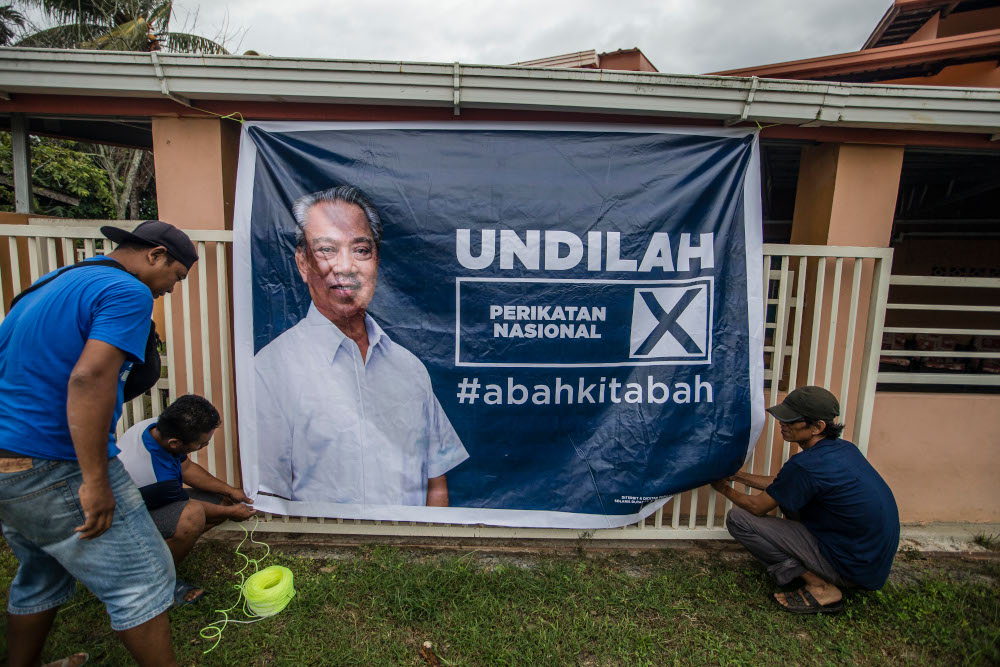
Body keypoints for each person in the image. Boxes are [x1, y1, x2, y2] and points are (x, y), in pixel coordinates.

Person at [0, 220, 198, 667]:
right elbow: (90, 377)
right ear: (155, 255)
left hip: (7, 461)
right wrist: (93, 479)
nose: (172, 288)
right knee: (145, 578)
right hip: (54, 461)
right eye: (177, 276)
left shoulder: (55, 281)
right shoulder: (128, 292)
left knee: (42, 571)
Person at [254, 185, 469, 507]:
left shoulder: (408, 368)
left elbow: (435, 483)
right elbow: (267, 493)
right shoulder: (272, 369)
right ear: (302, 262)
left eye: (361, 250)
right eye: (326, 249)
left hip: (407, 553)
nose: (345, 267)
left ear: (377, 262)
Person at [710, 386, 899, 615]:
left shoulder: (806, 465)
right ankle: (823, 573)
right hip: (869, 566)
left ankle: (820, 586)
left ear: (817, 427)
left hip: (849, 567)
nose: (782, 423)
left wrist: (722, 488)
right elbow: (785, 484)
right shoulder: (843, 450)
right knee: (791, 503)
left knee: (738, 519)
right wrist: (737, 475)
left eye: (790, 420)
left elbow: (756, 507)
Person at [117, 394, 256, 604]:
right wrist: (232, 513)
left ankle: (151, 558)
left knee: (220, 501)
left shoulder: (155, 427)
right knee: (191, 518)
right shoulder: (153, 476)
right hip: (120, 523)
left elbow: (187, 467)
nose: (204, 446)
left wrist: (229, 490)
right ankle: (152, 581)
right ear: (175, 443)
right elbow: (192, 507)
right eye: (200, 444)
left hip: (143, 503)